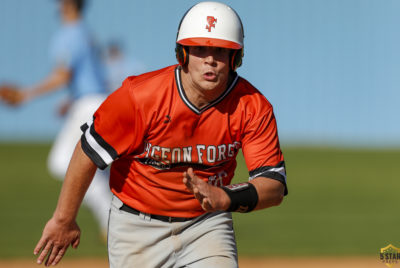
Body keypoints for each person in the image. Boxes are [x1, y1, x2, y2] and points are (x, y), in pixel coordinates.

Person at [34, 2, 288, 267]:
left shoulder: (252, 106)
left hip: (206, 223)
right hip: (136, 225)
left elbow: (273, 185)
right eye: (200, 49)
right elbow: (87, 151)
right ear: (183, 54)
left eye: (221, 51)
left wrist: (225, 197)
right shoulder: (140, 98)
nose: (210, 59)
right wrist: (64, 219)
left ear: (236, 58)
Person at [0, 0, 111, 238]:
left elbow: (62, 75)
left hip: (88, 104)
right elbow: (88, 77)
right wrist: (71, 101)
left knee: (62, 162)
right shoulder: (85, 32)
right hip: (95, 102)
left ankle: (110, 217)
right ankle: (116, 216)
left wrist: (26, 94)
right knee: (97, 165)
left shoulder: (70, 33)